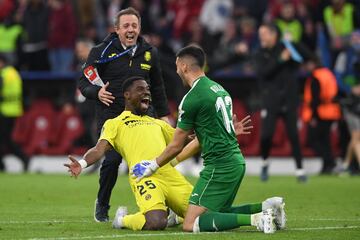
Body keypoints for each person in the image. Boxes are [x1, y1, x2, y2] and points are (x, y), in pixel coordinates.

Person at [65, 76, 259, 231]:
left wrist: (227, 130)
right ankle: (123, 219)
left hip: (170, 176)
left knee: (205, 215)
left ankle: (263, 210)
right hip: (145, 177)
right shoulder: (115, 123)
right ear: (127, 94)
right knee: (157, 222)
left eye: (148, 90)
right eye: (141, 89)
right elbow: (99, 149)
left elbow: (193, 139)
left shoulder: (158, 123)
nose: (147, 92)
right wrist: (81, 164)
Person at [131, 45, 285, 233]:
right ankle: (267, 207)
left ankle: (258, 219)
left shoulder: (192, 98)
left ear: (184, 66)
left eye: (177, 66)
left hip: (219, 166)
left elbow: (176, 145)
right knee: (220, 211)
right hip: (235, 162)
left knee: (190, 223)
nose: (177, 70)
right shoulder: (218, 89)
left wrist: (152, 165)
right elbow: (201, 140)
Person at [78, 7, 170, 222]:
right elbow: (83, 82)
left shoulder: (149, 52)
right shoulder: (100, 51)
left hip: (143, 115)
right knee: (111, 162)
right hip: (112, 114)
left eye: (134, 26)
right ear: (116, 29)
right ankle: (102, 204)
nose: (131, 30)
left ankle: (164, 204)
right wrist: (96, 92)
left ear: (140, 28)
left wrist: (164, 115)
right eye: (126, 26)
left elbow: (157, 87)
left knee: (156, 161)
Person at [254, 23, 307, 182]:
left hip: (289, 100)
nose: (261, 37)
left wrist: (294, 43)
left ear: (274, 34)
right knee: (266, 136)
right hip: (271, 101)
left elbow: (304, 58)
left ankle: (300, 170)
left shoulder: (287, 48)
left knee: (293, 135)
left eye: (263, 33)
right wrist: (280, 60)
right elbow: (263, 73)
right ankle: (264, 163)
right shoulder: (260, 53)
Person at [302, 57, 341, 174]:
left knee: (314, 140)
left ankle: (330, 161)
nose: (306, 67)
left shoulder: (316, 77)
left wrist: (313, 116)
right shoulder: (328, 74)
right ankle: (327, 165)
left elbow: (315, 99)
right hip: (331, 111)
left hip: (321, 113)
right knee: (325, 141)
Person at [0, 54, 30, 172]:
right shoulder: (13, 73)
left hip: (4, 110)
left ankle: (24, 157)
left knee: (6, 140)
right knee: (4, 139)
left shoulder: (3, 74)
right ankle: (3, 165)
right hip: (13, 109)